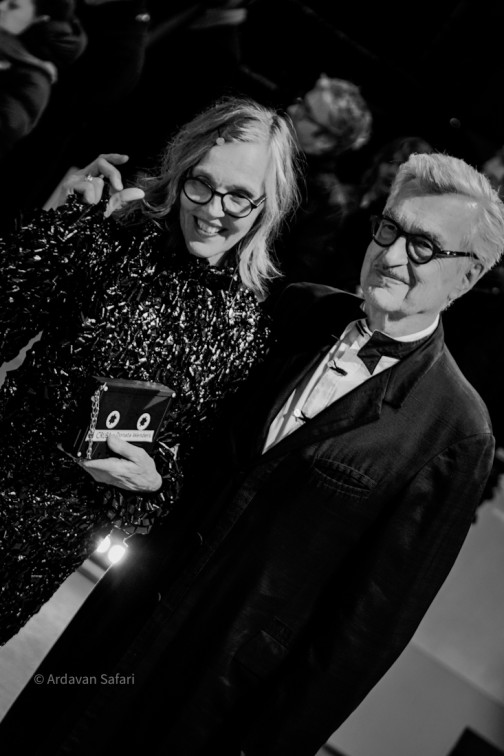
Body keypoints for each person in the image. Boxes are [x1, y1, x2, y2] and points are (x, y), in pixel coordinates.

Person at [0, 151, 499, 755]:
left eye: (423, 246)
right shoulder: (296, 310)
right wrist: (102, 223)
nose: (392, 255)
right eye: (390, 228)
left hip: (213, 694)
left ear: (467, 277)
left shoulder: (455, 431)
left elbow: (362, 635)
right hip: (122, 619)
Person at [0, 95, 301, 647]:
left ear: (267, 207)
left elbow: (188, 483)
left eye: (239, 197)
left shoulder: (248, 332)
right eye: (201, 184)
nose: (213, 209)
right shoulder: (114, 237)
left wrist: (150, 482)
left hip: (42, 550)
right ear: (181, 172)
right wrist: (62, 220)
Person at [0, 0, 86, 161]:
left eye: (13, 6)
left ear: (40, 19)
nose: (1, 7)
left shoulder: (34, 79)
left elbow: (7, 128)